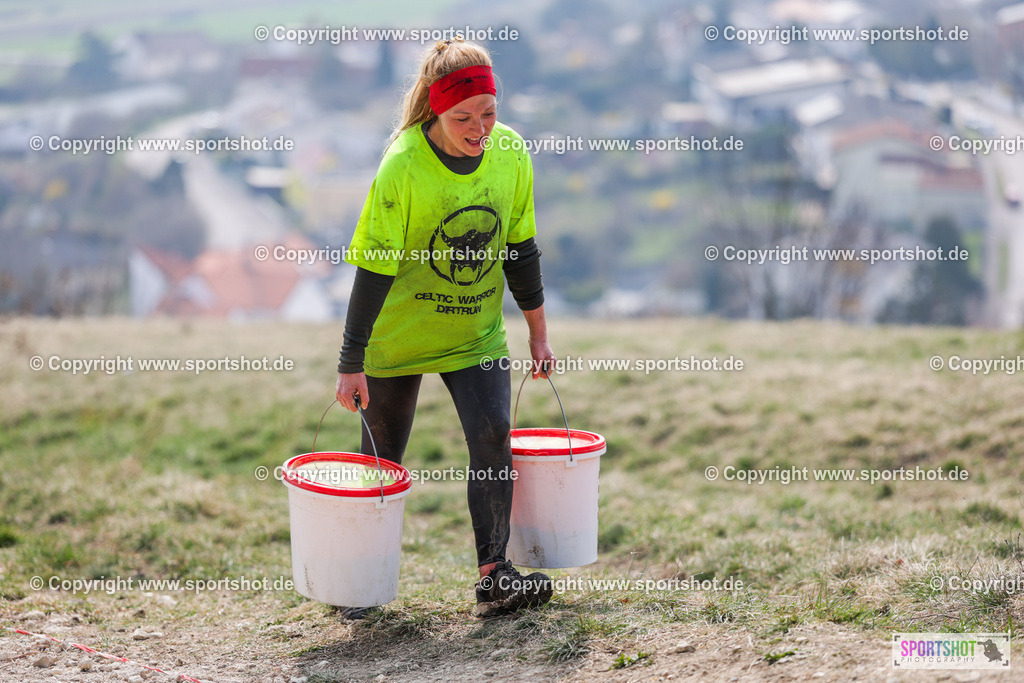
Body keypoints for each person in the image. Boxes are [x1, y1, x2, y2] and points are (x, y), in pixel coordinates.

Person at [334, 38, 555, 619]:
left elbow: (521, 248)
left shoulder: (510, 154)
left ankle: (494, 573)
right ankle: (358, 586)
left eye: (489, 112)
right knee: (381, 461)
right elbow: (374, 267)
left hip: (475, 335)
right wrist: (350, 360)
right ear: (435, 110)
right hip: (395, 336)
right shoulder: (402, 166)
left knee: (493, 438)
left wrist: (537, 333)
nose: (479, 128)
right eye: (463, 118)